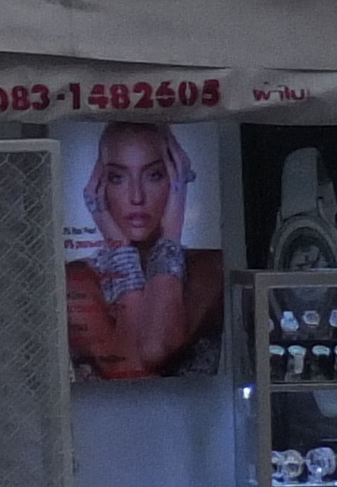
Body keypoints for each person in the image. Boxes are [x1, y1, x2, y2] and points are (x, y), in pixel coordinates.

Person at [68, 121, 224, 379]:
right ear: (99, 187)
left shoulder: (210, 267)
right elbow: (133, 368)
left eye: (154, 175)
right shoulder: (76, 279)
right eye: (117, 178)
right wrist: (121, 251)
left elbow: (156, 347)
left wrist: (172, 232)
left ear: (177, 178)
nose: (136, 197)